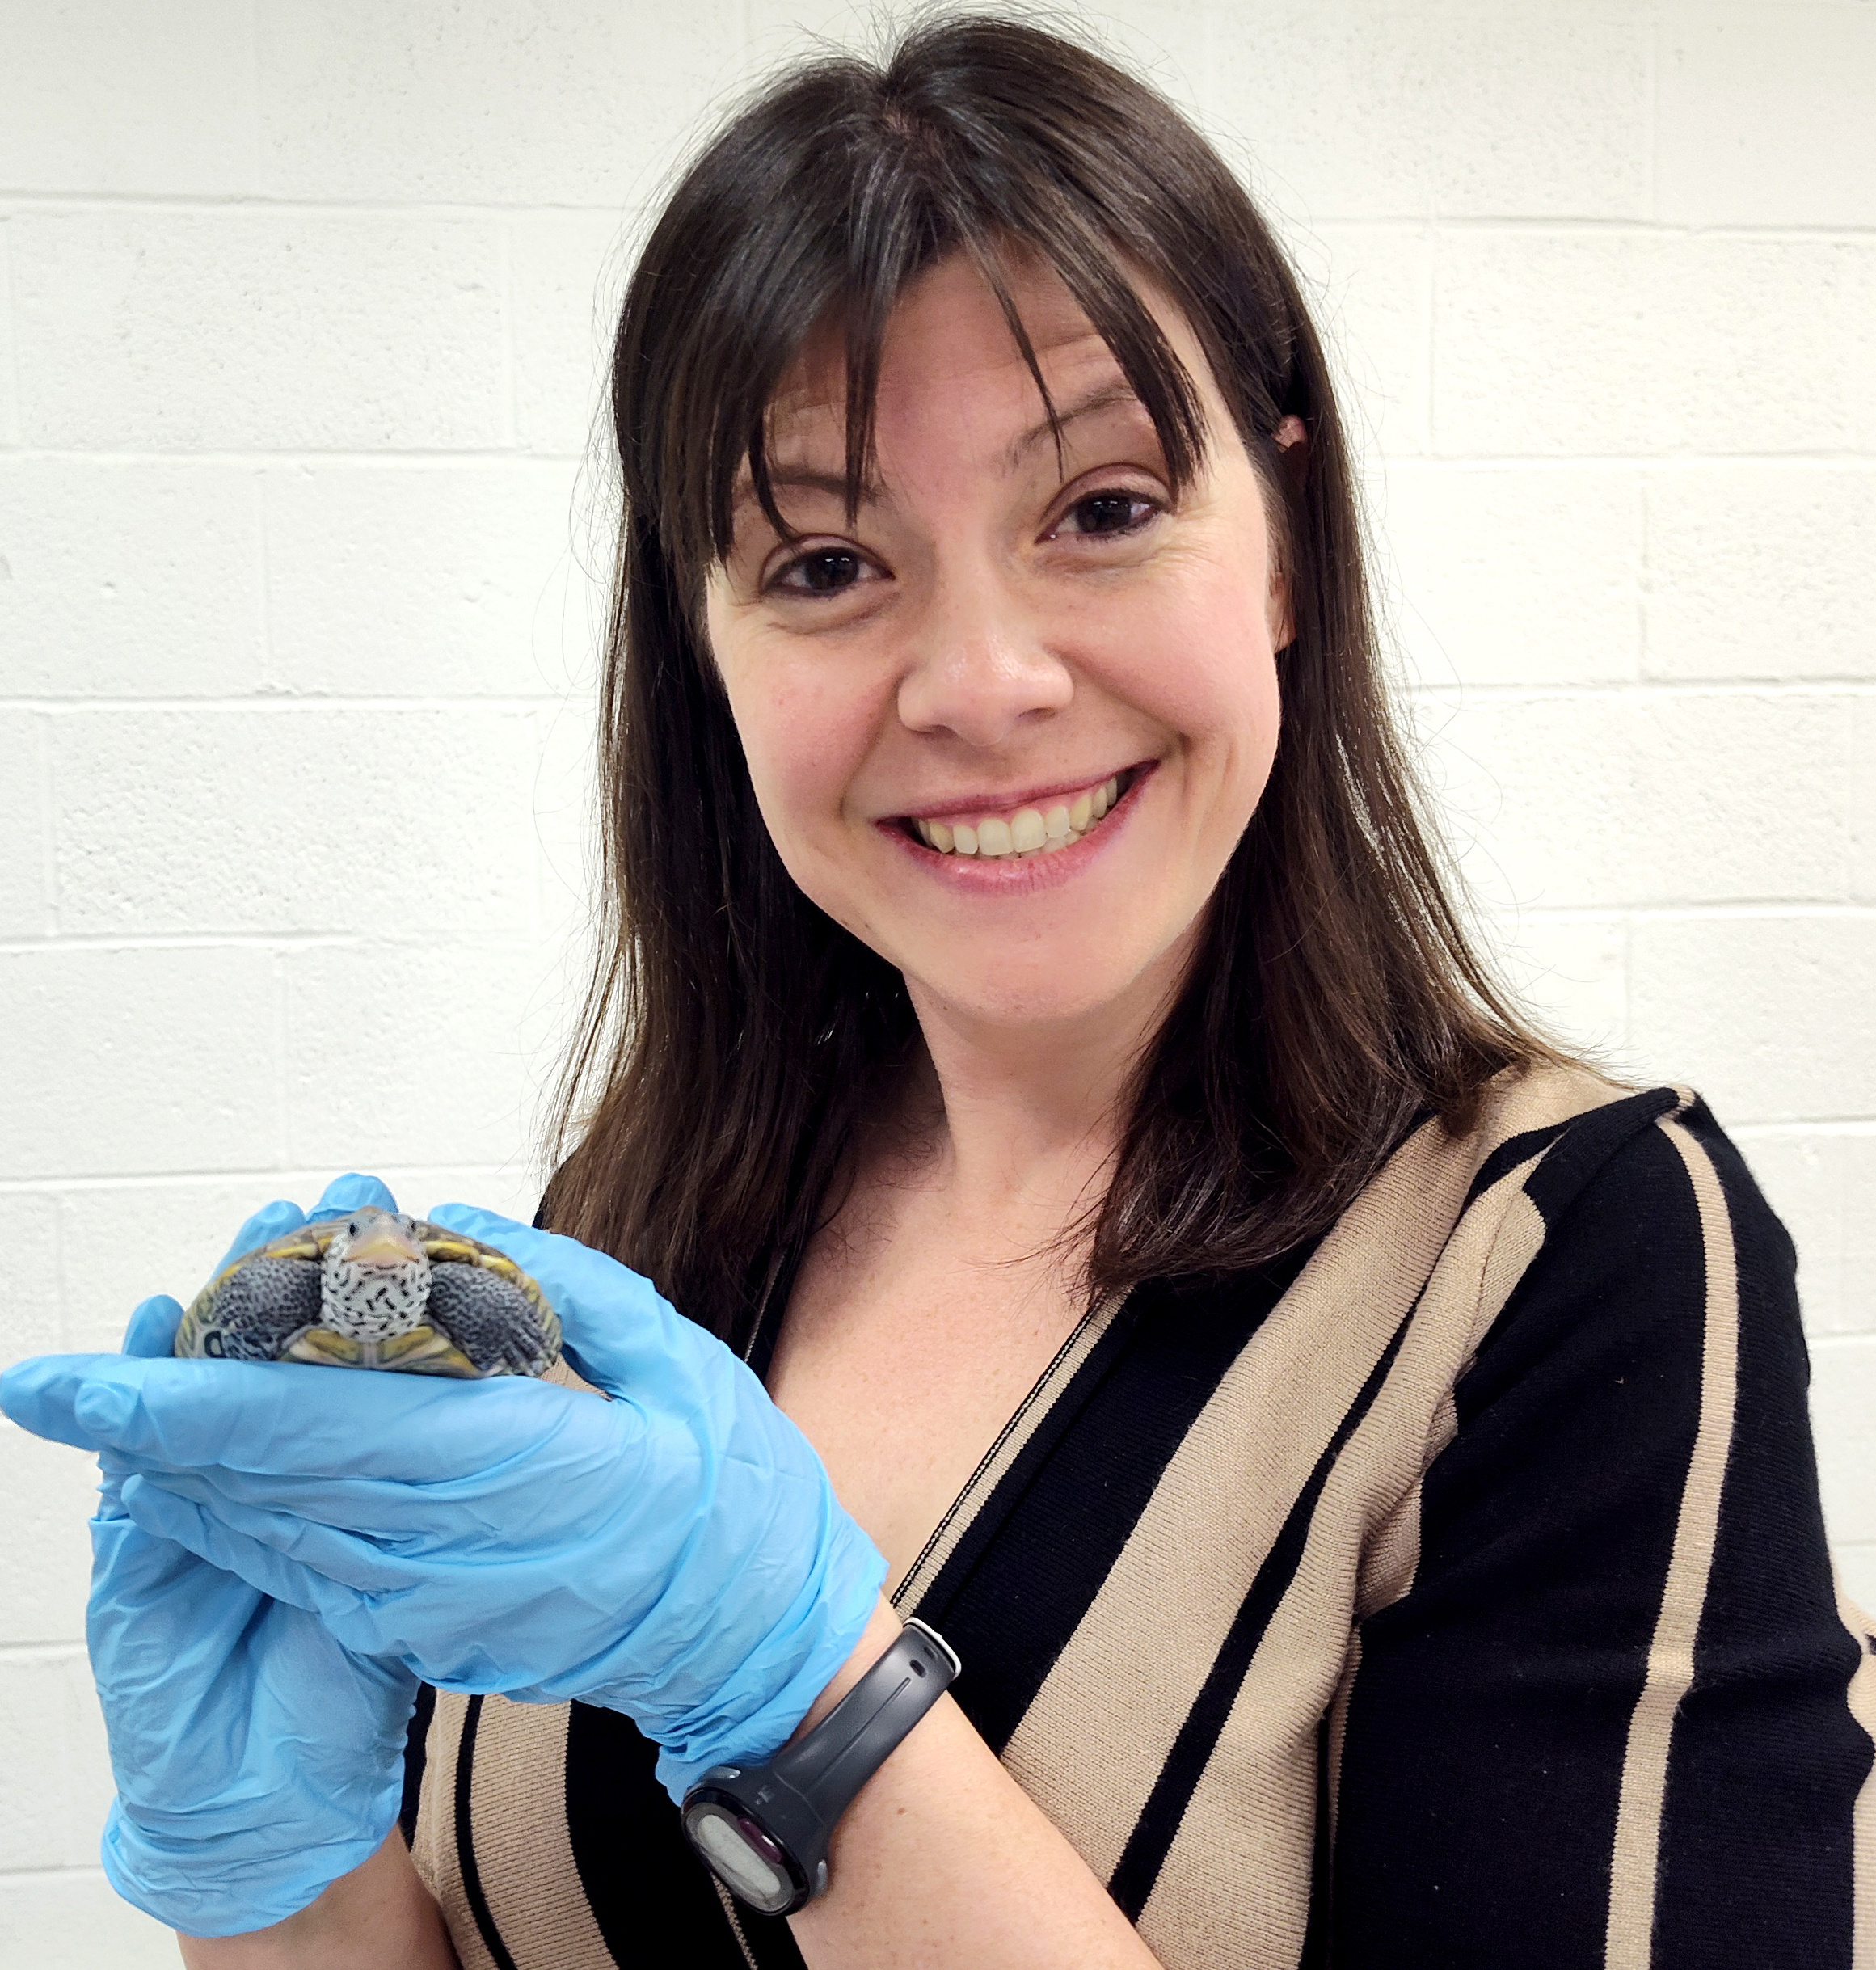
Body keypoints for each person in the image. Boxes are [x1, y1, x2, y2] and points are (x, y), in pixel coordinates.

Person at [2, 16, 1870, 1970]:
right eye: (823, 560)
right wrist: (270, 1874)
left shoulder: (1563, 1258)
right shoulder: (630, 1248)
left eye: (1104, 508)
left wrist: (816, 1710)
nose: (981, 682)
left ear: (1289, 544)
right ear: (706, 653)